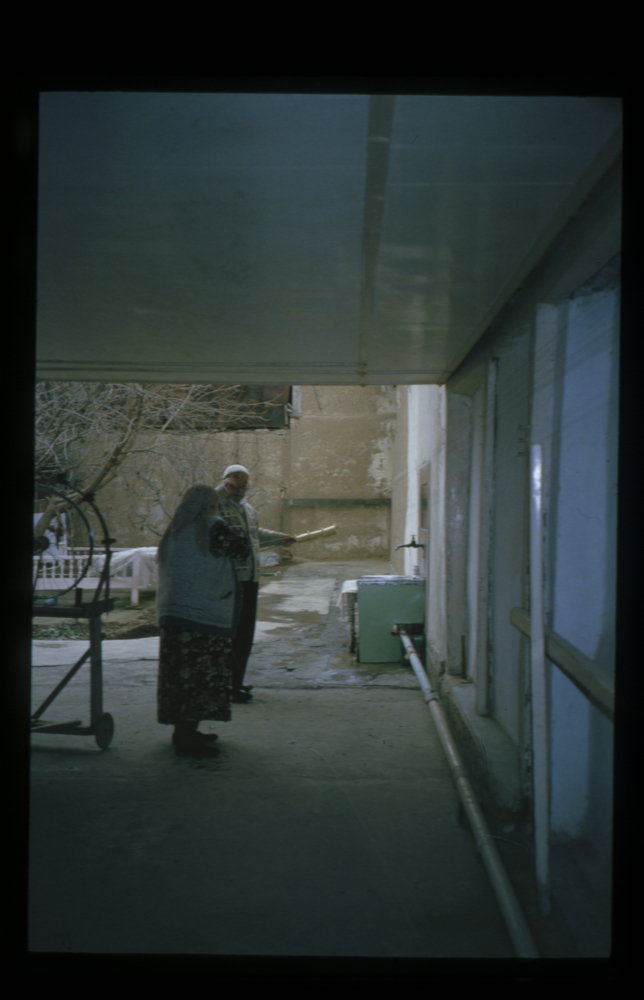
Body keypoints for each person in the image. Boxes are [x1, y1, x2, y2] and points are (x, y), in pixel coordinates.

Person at [155, 483, 251, 758]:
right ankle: (186, 740)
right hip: (201, 618)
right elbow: (240, 549)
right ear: (210, 505)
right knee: (199, 678)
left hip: (174, 616)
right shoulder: (213, 526)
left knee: (179, 677)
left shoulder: (174, 529)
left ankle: (184, 731)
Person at [214, 465, 296, 702]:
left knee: (245, 634)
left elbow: (255, 533)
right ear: (225, 481)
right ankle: (226, 685)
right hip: (229, 579)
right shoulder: (216, 505)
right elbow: (199, 509)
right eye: (233, 483)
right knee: (230, 634)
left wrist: (280, 538)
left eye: (243, 485)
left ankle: (236, 682)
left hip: (250, 578)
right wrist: (221, 490)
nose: (238, 489)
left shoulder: (248, 509)